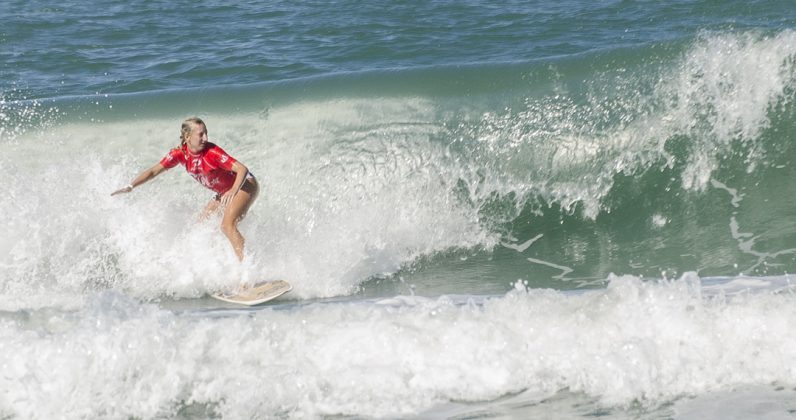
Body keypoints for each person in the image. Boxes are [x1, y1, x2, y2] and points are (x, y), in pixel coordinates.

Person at [112, 117, 259, 261]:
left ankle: (247, 269)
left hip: (245, 185)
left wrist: (233, 190)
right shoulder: (179, 154)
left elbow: (242, 168)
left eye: (206, 133)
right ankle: (218, 263)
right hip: (224, 192)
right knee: (201, 225)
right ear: (187, 137)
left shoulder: (212, 152)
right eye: (201, 134)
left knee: (227, 226)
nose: (205, 138)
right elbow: (153, 171)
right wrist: (131, 186)